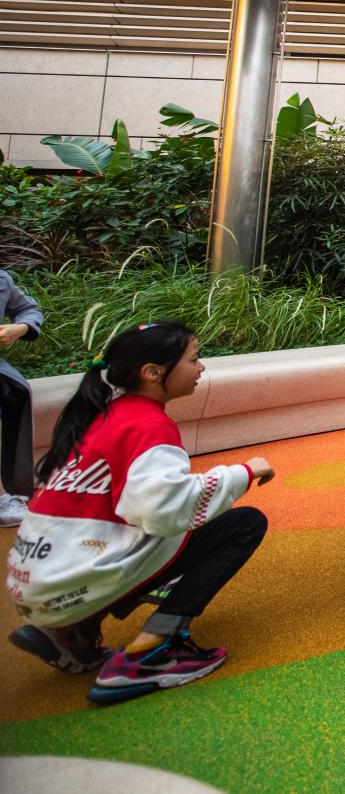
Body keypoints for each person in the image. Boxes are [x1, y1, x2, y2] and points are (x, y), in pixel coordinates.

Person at [6, 321, 272, 703]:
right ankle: (152, 650)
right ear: (152, 373)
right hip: (71, 580)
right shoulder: (148, 425)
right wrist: (244, 472)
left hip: (37, 581)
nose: (201, 369)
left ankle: (72, 630)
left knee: (161, 526)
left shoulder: (101, 415)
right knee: (243, 524)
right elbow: (164, 510)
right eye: (194, 360)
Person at [0, 268, 44, 528]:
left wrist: (19, 328)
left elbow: (29, 309)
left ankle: (14, 493)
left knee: (16, 390)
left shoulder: (2, 280)